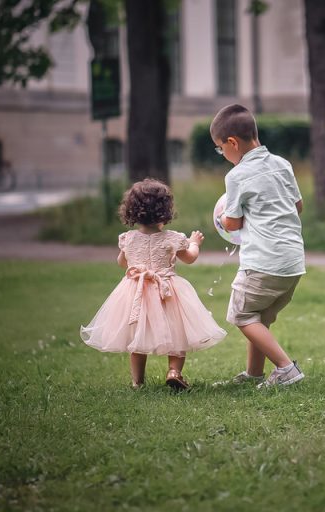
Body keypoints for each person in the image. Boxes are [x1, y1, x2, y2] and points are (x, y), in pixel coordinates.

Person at [80, 179, 227, 390]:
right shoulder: (172, 238)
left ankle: (137, 382)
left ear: (132, 211)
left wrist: (134, 262)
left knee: (137, 337)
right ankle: (174, 371)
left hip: (135, 290)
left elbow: (122, 262)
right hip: (166, 290)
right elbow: (190, 258)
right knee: (177, 332)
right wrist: (194, 243)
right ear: (165, 210)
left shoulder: (128, 238)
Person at [211, 104, 306, 388]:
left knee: (240, 314)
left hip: (263, 263)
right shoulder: (282, 164)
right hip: (292, 263)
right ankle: (253, 374)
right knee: (259, 318)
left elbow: (231, 224)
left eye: (220, 149)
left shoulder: (236, 176)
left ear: (232, 143)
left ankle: (287, 368)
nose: (222, 155)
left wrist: (221, 215)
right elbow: (298, 206)